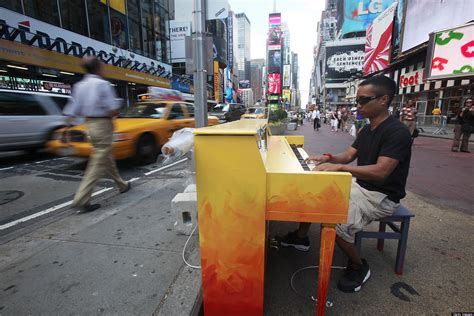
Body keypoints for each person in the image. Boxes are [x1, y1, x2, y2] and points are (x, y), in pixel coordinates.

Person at [278, 75, 412, 293]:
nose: (357, 105)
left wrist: (340, 168)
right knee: (316, 191)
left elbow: (381, 172)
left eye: (363, 100)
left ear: (383, 100)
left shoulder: (397, 132)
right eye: (356, 101)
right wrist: (327, 157)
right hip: (362, 187)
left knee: (336, 219)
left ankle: (358, 265)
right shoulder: (367, 129)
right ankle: (301, 239)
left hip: (382, 197)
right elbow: (349, 155)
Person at [63, 56, 131, 213]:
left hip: (89, 125)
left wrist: (67, 129)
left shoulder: (80, 86)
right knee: (97, 162)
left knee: (104, 157)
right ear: (98, 68)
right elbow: (113, 108)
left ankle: (122, 185)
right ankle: (81, 198)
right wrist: (114, 114)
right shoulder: (102, 84)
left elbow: (71, 110)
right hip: (102, 124)